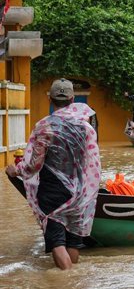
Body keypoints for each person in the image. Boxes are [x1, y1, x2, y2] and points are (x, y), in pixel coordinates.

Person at [5, 78, 100, 270]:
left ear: (50, 99)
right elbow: (93, 163)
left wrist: (15, 170)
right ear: (73, 100)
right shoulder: (86, 127)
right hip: (80, 190)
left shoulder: (45, 127)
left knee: (56, 240)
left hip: (53, 190)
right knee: (73, 241)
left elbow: (34, 165)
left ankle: (66, 286)